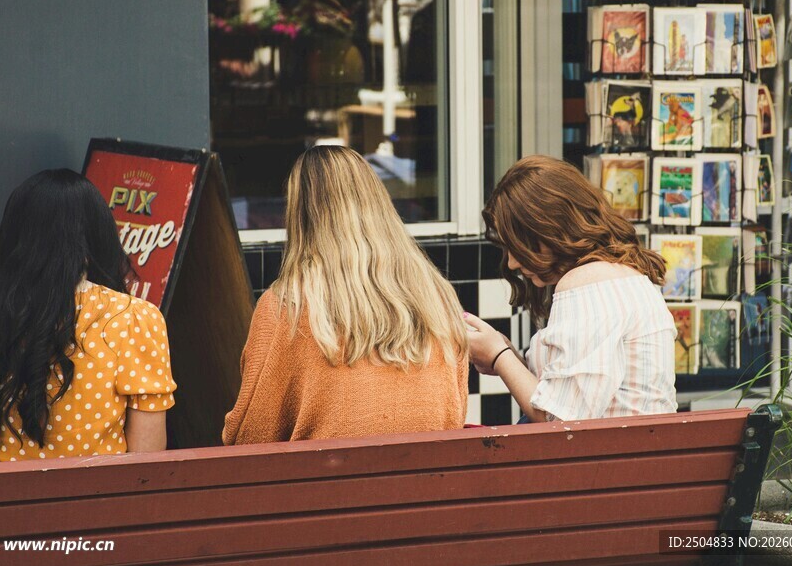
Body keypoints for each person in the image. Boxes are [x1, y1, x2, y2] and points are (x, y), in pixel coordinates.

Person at [222, 146, 468, 444]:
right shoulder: (438, 299)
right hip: (432, 486)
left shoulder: (286, 307)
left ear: (299, 217)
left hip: (324, 488)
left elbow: (252, 438)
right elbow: (454, 415)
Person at [0, 170, 175, 462]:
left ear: (14, 236)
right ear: (96, 236)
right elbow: (148, 458)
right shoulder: (133, 319)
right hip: (101, 504)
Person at [464, 156, 677, 422]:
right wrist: (510, 359)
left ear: (551, 229)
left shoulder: (588, 282)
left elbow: (560, 422)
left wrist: (498, 356)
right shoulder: (620, 275)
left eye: (518, 246)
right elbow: (578, 394)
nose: (512, 262)